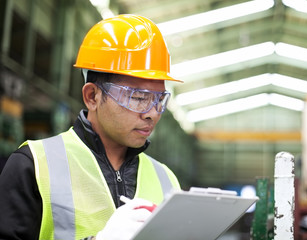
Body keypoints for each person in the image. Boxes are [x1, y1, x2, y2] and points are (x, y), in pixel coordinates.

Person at [0, 14, 183, 240]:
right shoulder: (34, 166)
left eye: (159, 99)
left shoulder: (167, 180)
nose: (152, 113)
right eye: (138, 98)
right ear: (92, 96)